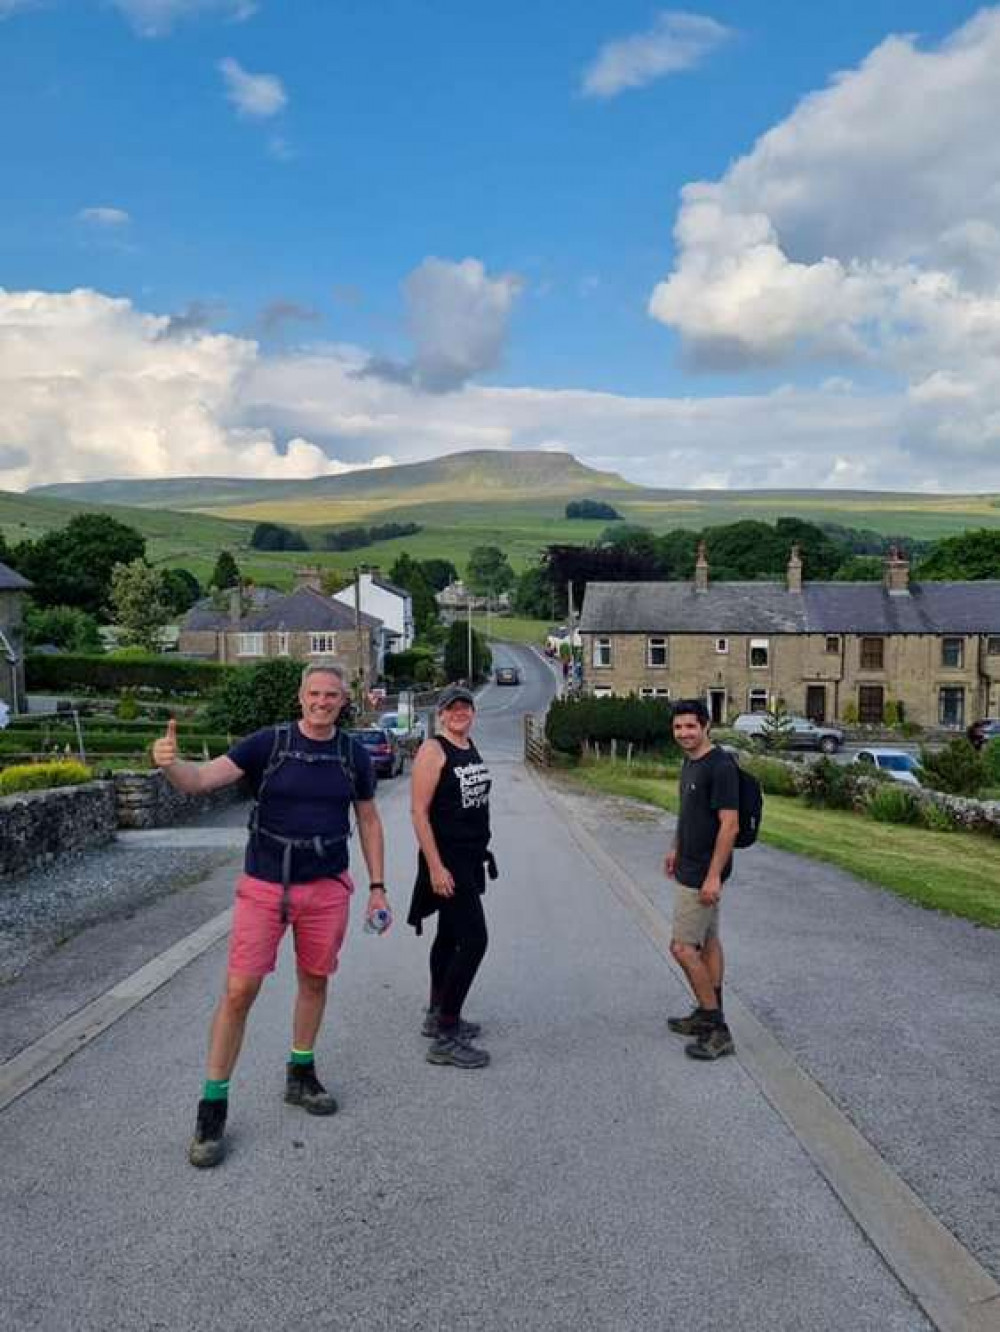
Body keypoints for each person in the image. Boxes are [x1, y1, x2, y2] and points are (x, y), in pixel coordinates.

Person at [152, 661, 387, 1167]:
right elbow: (201, 780)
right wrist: (170, 764)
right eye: (314, 694)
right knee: (240, 992)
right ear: (300, 697)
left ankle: (300, 1073)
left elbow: (368, 820)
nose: (322, 702)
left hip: (325, 887)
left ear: (344, 701)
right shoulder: (269, 743)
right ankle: (212, 1109)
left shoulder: (353, 754)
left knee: (316, 979)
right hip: (264, 885)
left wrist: (378, 887)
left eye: (332, 695)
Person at [408, 684, 494, 1070]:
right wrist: (436, 867)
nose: (460, 713)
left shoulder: (467, 745)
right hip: (447, 860)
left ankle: (436, 1010)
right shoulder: (433, 750)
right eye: (452, 708)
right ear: (440, 714)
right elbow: (419, 813)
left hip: (469, 856)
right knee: (474, 940)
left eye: (466, 707)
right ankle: (446, 1031)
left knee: (448, 935)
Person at [664, 698, 739, 1061]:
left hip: (701, 875)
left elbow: (730, 824)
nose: (684, 733)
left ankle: (717, 1026)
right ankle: (707, 1011)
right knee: (708, 942)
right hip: (689, 864)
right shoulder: (691, 762)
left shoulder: (721, 766)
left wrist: (712, 877)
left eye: (691, 726)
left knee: (681, 948)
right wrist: (675, 847)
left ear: (706, 725)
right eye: (678, 727)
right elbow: (688, 812)